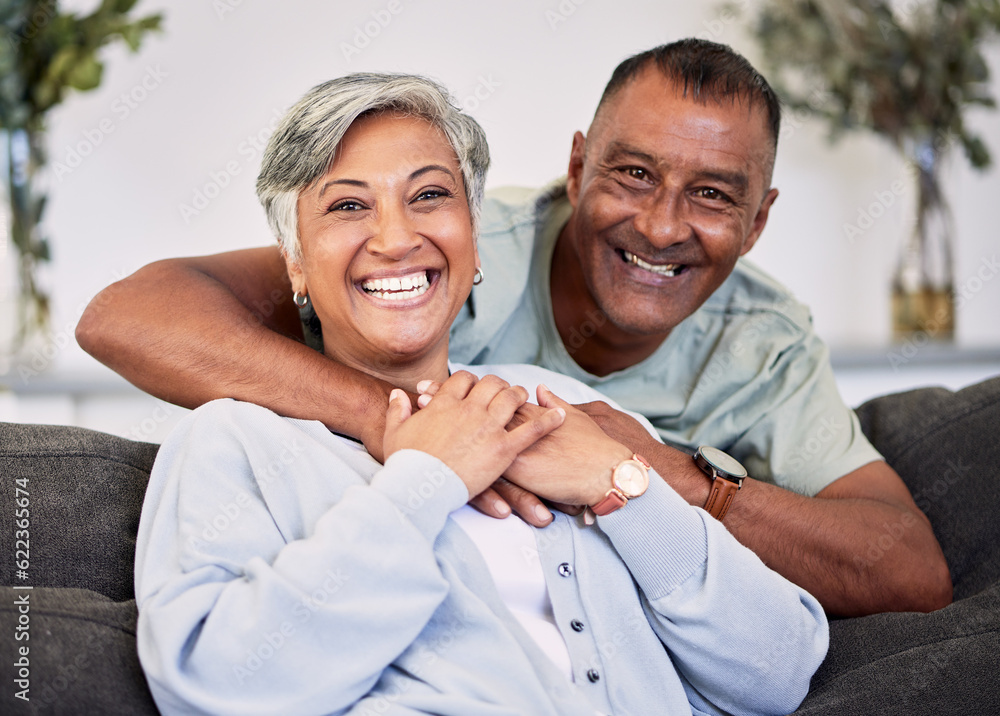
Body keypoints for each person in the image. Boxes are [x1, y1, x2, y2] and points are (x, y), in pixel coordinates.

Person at [81, 39, 950, 617]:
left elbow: (908, 571)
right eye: (634, 174)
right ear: (576, 168)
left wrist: (655, 476)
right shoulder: (435, 245)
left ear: (758, 223)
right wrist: (412, 427)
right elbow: (125, 316)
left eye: (713, 195)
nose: (659, 226)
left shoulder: (765, 342)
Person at [134, 73, 828, 716]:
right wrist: (426, 483)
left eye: (430, 196)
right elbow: (212, 683)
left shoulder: (558, 406)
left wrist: (624, 487)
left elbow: (781, 667)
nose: (397, 237)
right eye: (348, 205)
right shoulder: (234, 443)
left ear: (472, 238)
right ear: (296, 262)